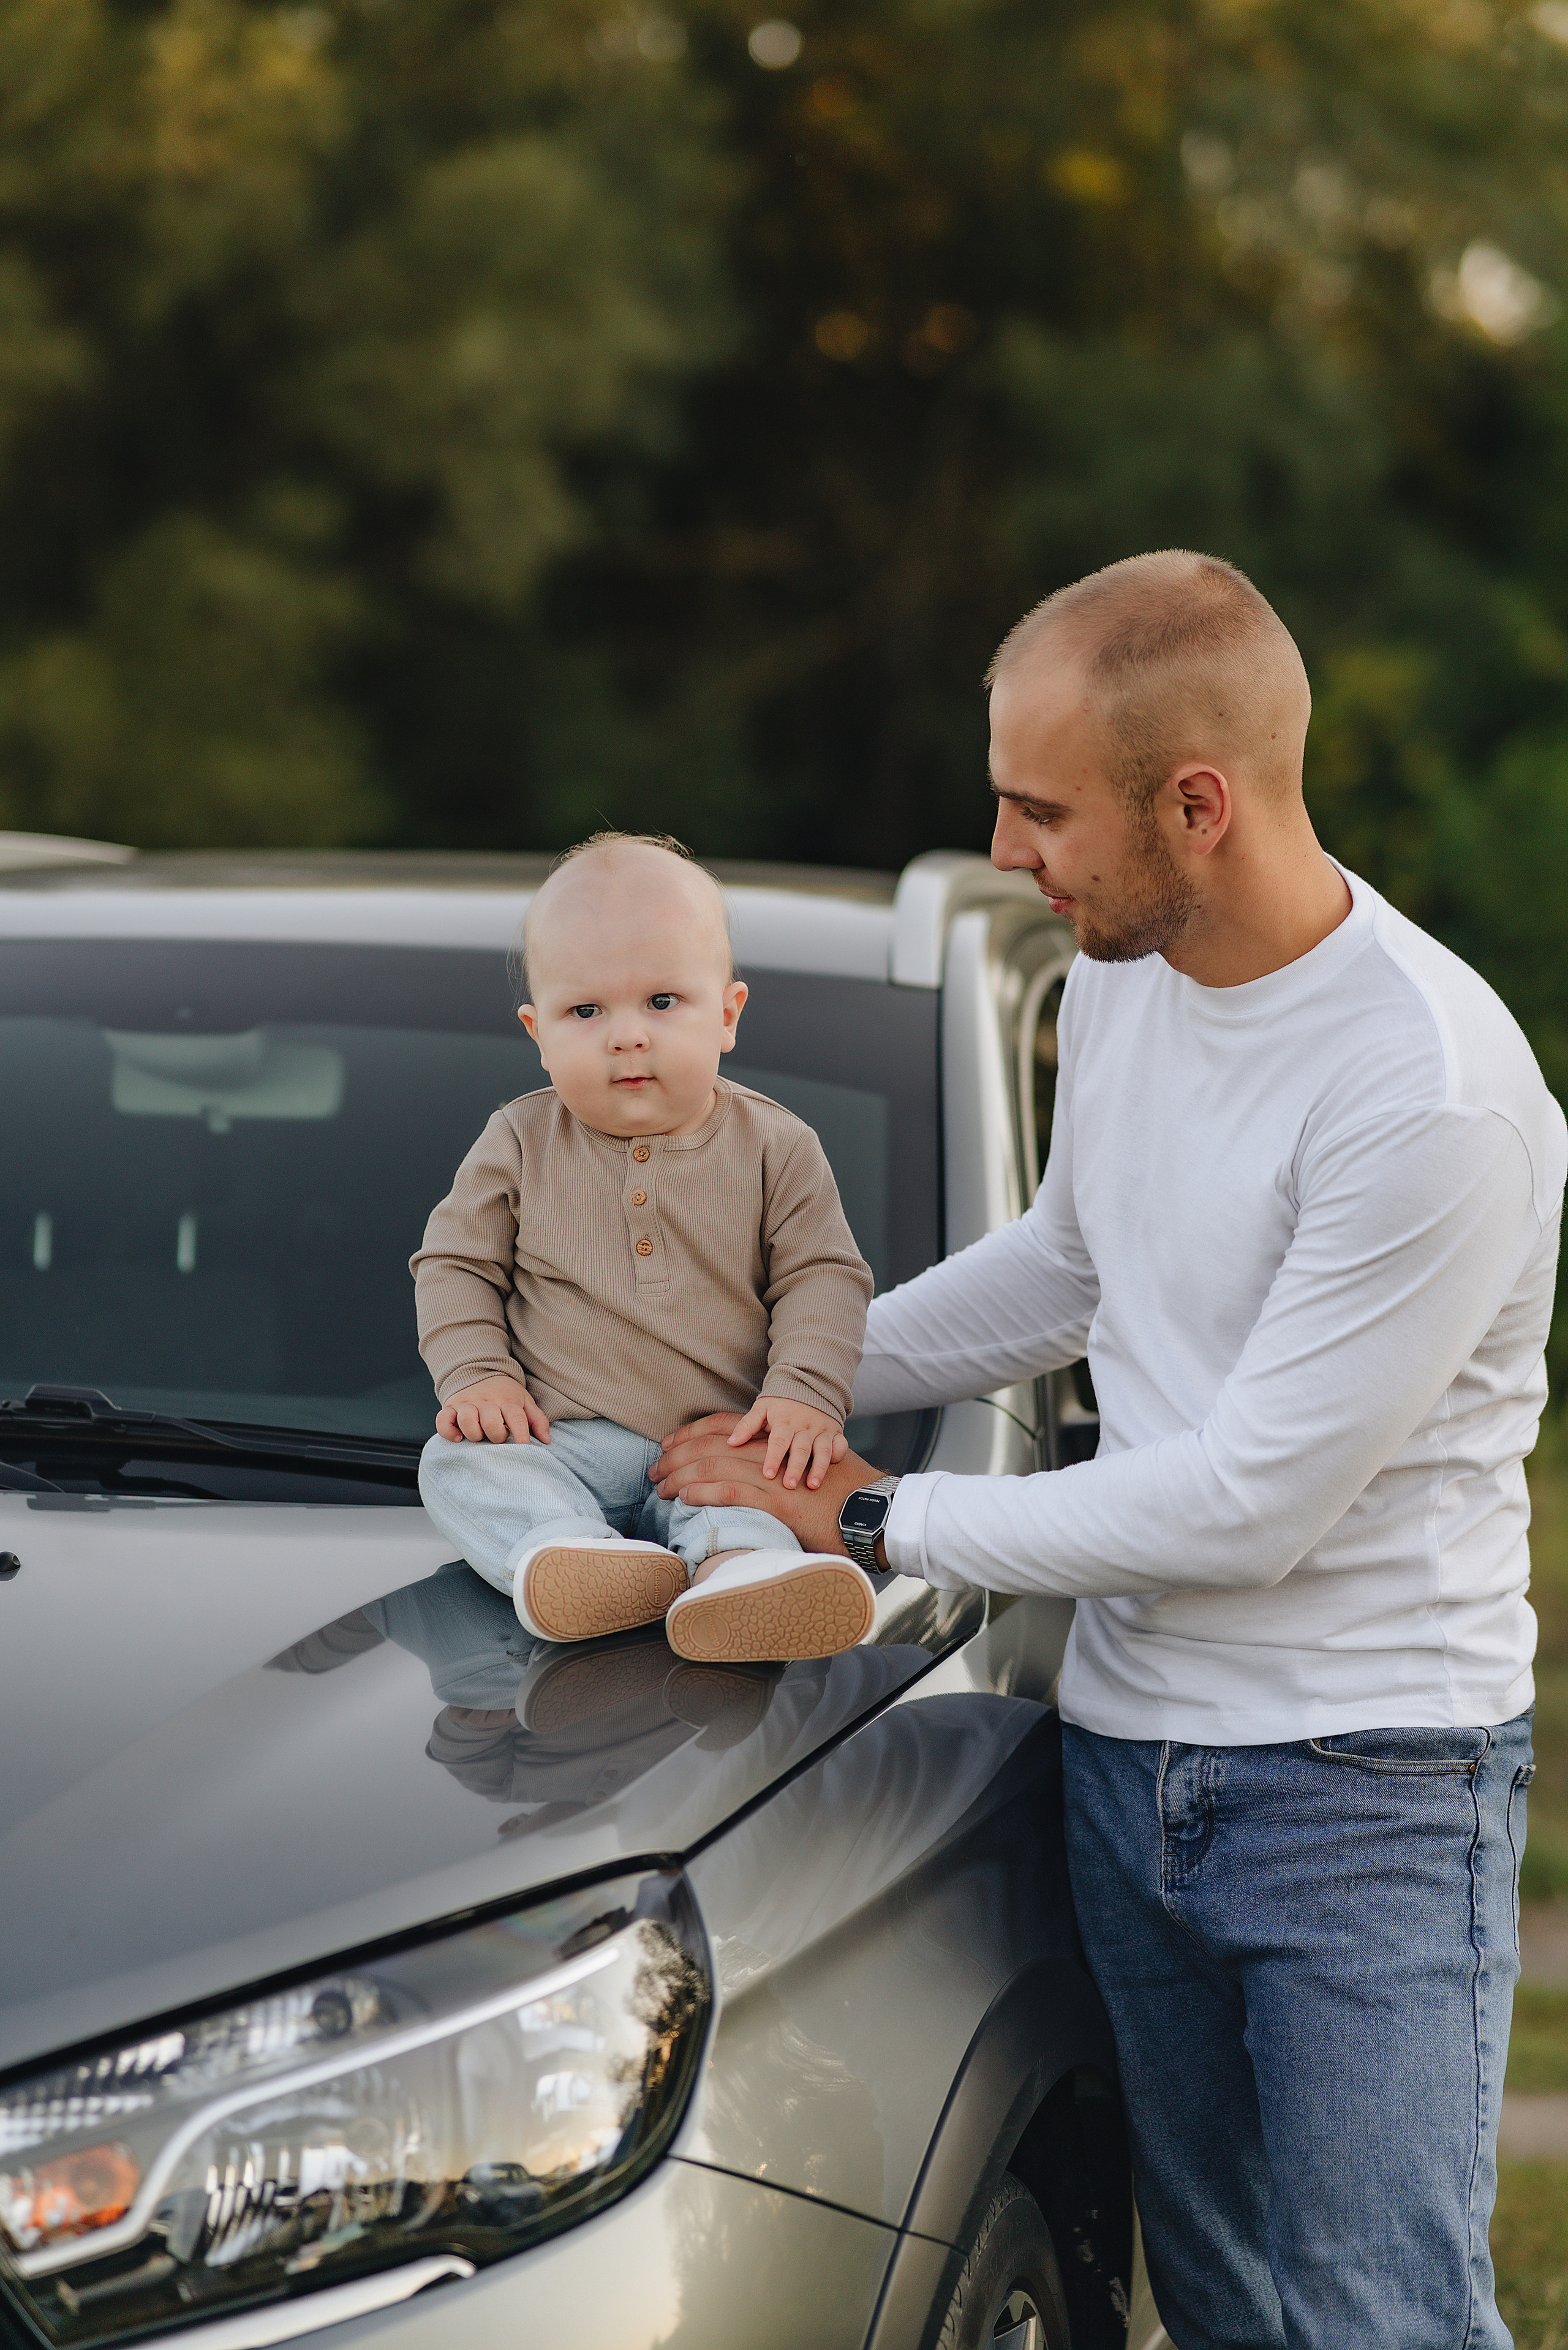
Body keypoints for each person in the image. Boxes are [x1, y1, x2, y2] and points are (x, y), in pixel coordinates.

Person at [652, 551, 1566, 2350]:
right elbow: (1071, 1263)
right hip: (1129, 1761)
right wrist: (784, 1370)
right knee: (1219, 2302)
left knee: (1379, 2313)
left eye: (1041, 806)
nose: (1010, 846)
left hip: (1365, 1788)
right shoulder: (1126, 981)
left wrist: (868, 1507)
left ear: (1197, 805)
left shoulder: (1431, 1086)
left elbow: (1251, 1500)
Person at [412, 830, 878, 1665]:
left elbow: (824, 1276)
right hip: (563, 1439)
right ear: (538, 1032)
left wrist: (805, 1393)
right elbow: (456, 1264)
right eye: (586, 1011)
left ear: (728, 1014)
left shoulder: (779, 1146)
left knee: (754, 1497)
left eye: (663, 1002)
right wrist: (477, 1374)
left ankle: (742, 1575)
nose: (627, 1035)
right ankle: (569, 1555)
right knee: (456, 1460)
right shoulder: (518, 1139)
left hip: (719, 1445)